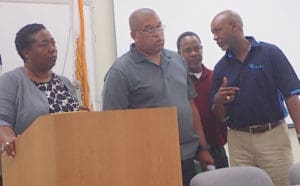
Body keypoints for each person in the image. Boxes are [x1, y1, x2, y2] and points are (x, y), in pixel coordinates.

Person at [102, 8, 214, 186]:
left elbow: (190, 105)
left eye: (159, 27)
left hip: (187, 155)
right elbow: (112, 123)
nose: (157, 34)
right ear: (133, 35)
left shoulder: (177, 60)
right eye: (149, 29)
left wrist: (203, 147)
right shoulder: (120, 71)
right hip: (149, 159)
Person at [210, 10, 300, 186]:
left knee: (281, 183)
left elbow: (291, 96)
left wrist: (299, 131)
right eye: (213, 33)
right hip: (239, 141)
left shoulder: (270, 53)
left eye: (217, 30)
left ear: (234, 26)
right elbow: (219, 116)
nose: (214, 37)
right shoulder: (220, 67)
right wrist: (219, 101)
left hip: (272, 137)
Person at [0, 24, 88, 184]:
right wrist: (9, 140)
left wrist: (81, 116)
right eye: (44, 44)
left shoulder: (64, 82)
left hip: (70, 166)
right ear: (26, 53)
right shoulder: (11, 81)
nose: (52, 49)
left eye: (53, 43)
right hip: (31, 168)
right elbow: (1, 120)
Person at [177, 31, 228, 170]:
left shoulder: (216, 77)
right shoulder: (176, 82)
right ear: (179, 54)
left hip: (217, 149)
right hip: (188, 153)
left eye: (197, 48)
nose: (193, 53)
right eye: (187, 50)